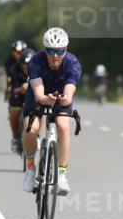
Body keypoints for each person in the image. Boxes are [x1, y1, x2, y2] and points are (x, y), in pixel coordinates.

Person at [22, 27, 81, 195]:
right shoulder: (35, 62)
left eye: (59, 51)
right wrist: (45, 99)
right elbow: (39, 94)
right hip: (38, 94)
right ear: (44, 50)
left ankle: (62, 175)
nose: (55, 56)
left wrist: (65, 99)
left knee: (63, 126)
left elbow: (69, 94)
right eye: (50, 51)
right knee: (30, 129)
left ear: (66, 50)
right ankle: (30, 169)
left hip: (61, 94)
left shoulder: (73, 63)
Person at [7, 48, 35, 154]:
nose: (26, 69)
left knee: (40, 112)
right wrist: (21, 89)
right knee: (14, 113)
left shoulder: (38, 69)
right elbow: (13, 88)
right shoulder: (14, 70)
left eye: (29, 67)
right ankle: (15, 138)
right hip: (19, 93)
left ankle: (36, 135)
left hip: (33, 94)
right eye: (24, 66)